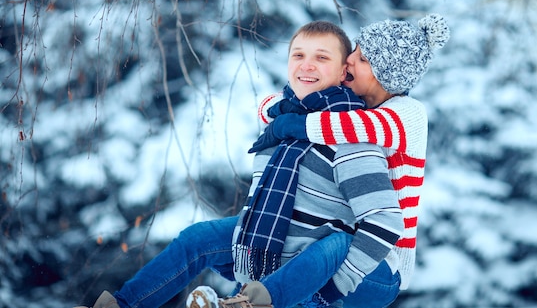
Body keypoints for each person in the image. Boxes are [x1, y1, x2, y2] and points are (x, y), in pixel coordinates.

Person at [74, 21, 403, 308]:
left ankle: (249, 303)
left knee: (335, 242)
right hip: (286, 251)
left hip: (352, 271)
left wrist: (332, 289)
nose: (307, 65)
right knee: (199, 237)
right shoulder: (280, 126)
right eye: (299, 55)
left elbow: (384, 222)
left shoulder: (350, 134)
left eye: (322, 57)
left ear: (344, 71)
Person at [244, 14, 450, 301]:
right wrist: (282, 110)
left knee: (330, 248)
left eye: (363, 59)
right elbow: (275, 102)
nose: (350, 60)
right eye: (355, 50)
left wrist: (288, 124)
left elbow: (348, 128)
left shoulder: (408, 114)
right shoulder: (355, 104)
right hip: (341, 243)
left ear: (384, 76)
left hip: (381, 262)